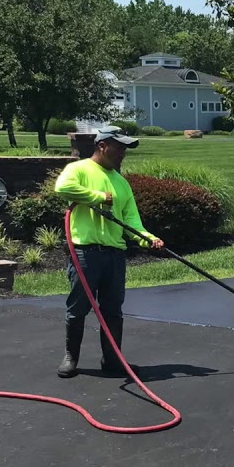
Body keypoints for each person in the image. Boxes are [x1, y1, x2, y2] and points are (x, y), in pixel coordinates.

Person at [53, 126, 163, 378]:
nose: (123, 153)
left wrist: (149, 239)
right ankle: (71, 357)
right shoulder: (79, 169)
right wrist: (98, 196)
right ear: (102, 146)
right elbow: (62, 189)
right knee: (78, 307)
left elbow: (132, 221)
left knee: (113, 310)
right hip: (85, 253)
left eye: (125, 148)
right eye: (119, 147)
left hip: (114, 255)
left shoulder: (122, 183)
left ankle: (112, 360)